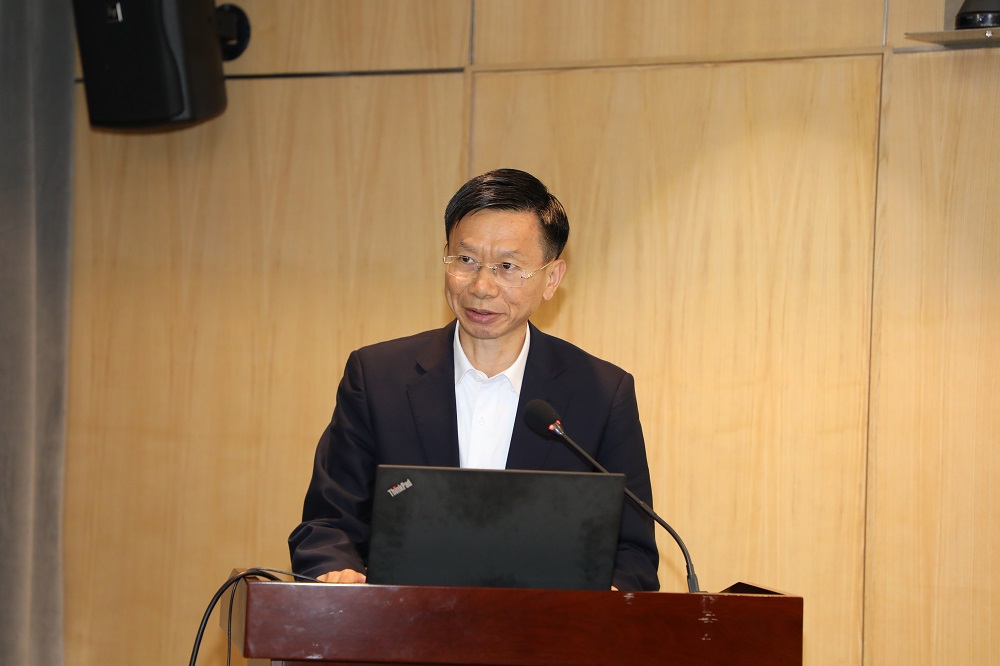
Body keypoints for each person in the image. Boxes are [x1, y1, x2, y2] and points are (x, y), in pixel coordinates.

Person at [288, 168, 659, 591]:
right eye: (465, 260)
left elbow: (633, 553)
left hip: (544, 630)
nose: (482, 286)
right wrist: (336, 573)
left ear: (552, 278)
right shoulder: (377, 378)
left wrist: (608, 602)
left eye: (507, 266)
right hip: (402, 626)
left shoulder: (601, 394)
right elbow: (328, 523)